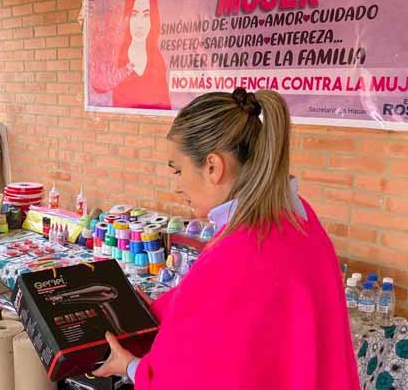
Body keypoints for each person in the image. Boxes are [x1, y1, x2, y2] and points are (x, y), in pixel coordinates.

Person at [93, 89, 359, 389]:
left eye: (178, 170)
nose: (177, 185)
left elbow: (187, 378)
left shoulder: (240, 250)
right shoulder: (297, 217)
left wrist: (131, 366)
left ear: (212, 167)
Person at [92, 0, 171, 110]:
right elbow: (98, 87)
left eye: (146, 15)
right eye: (134, 14)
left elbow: (165, 106)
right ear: (127, 17)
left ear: (153, 19)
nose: (139, 23)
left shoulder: (158, 61)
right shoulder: (116, 53)